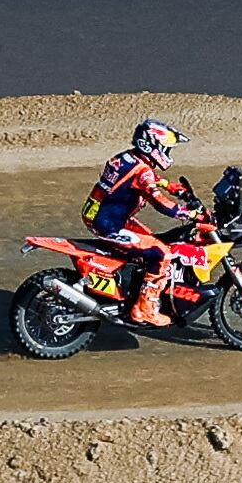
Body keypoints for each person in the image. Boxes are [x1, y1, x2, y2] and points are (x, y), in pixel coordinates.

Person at [81, 117, 206, 327]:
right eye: (166, 148)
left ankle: (132, 286)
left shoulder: (127, 158)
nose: (167, 153)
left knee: (151, 241)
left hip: (104, 216)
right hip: (108, 224)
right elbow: (161, 204)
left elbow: (143, 180)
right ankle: (144, 309)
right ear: (151, 144)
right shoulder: (143, 171)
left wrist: (171, 185)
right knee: (162, 253)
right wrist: (189, 214)